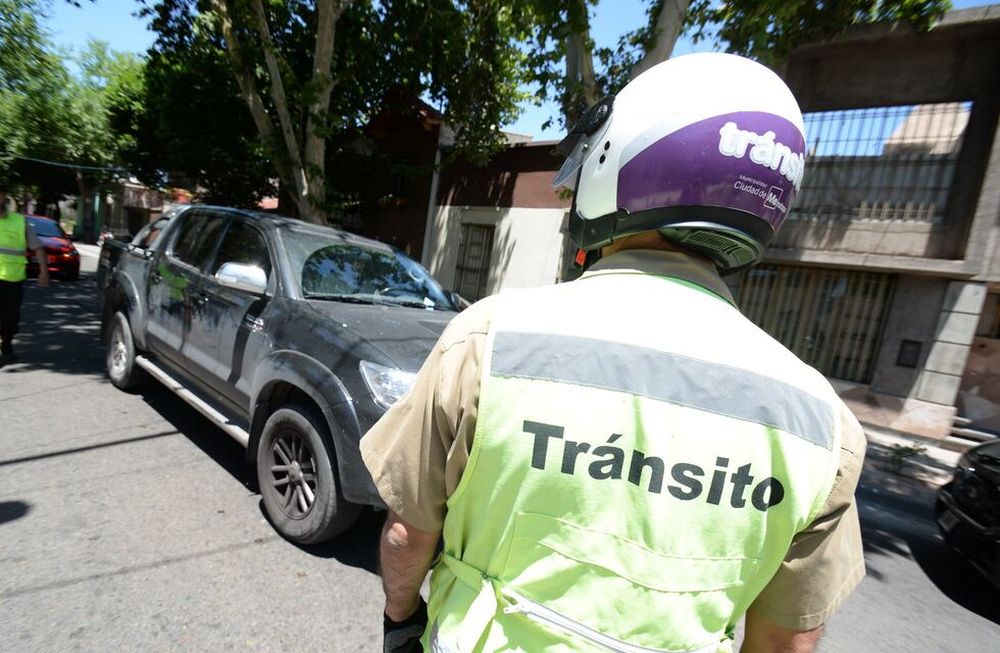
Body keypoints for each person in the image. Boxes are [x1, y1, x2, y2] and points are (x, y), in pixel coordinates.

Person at [361, 53, 866, 653]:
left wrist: (401, 623)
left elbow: (406, 535)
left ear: (620, 161)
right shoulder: (824, 426)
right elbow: (788, 640)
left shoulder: (488, 340)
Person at [0, 181, 49, 365]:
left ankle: (6, 345)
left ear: (4, 196)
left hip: (13, 278)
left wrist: (44, 272)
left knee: (9, 318)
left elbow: (37, 247)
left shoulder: (19, 221)